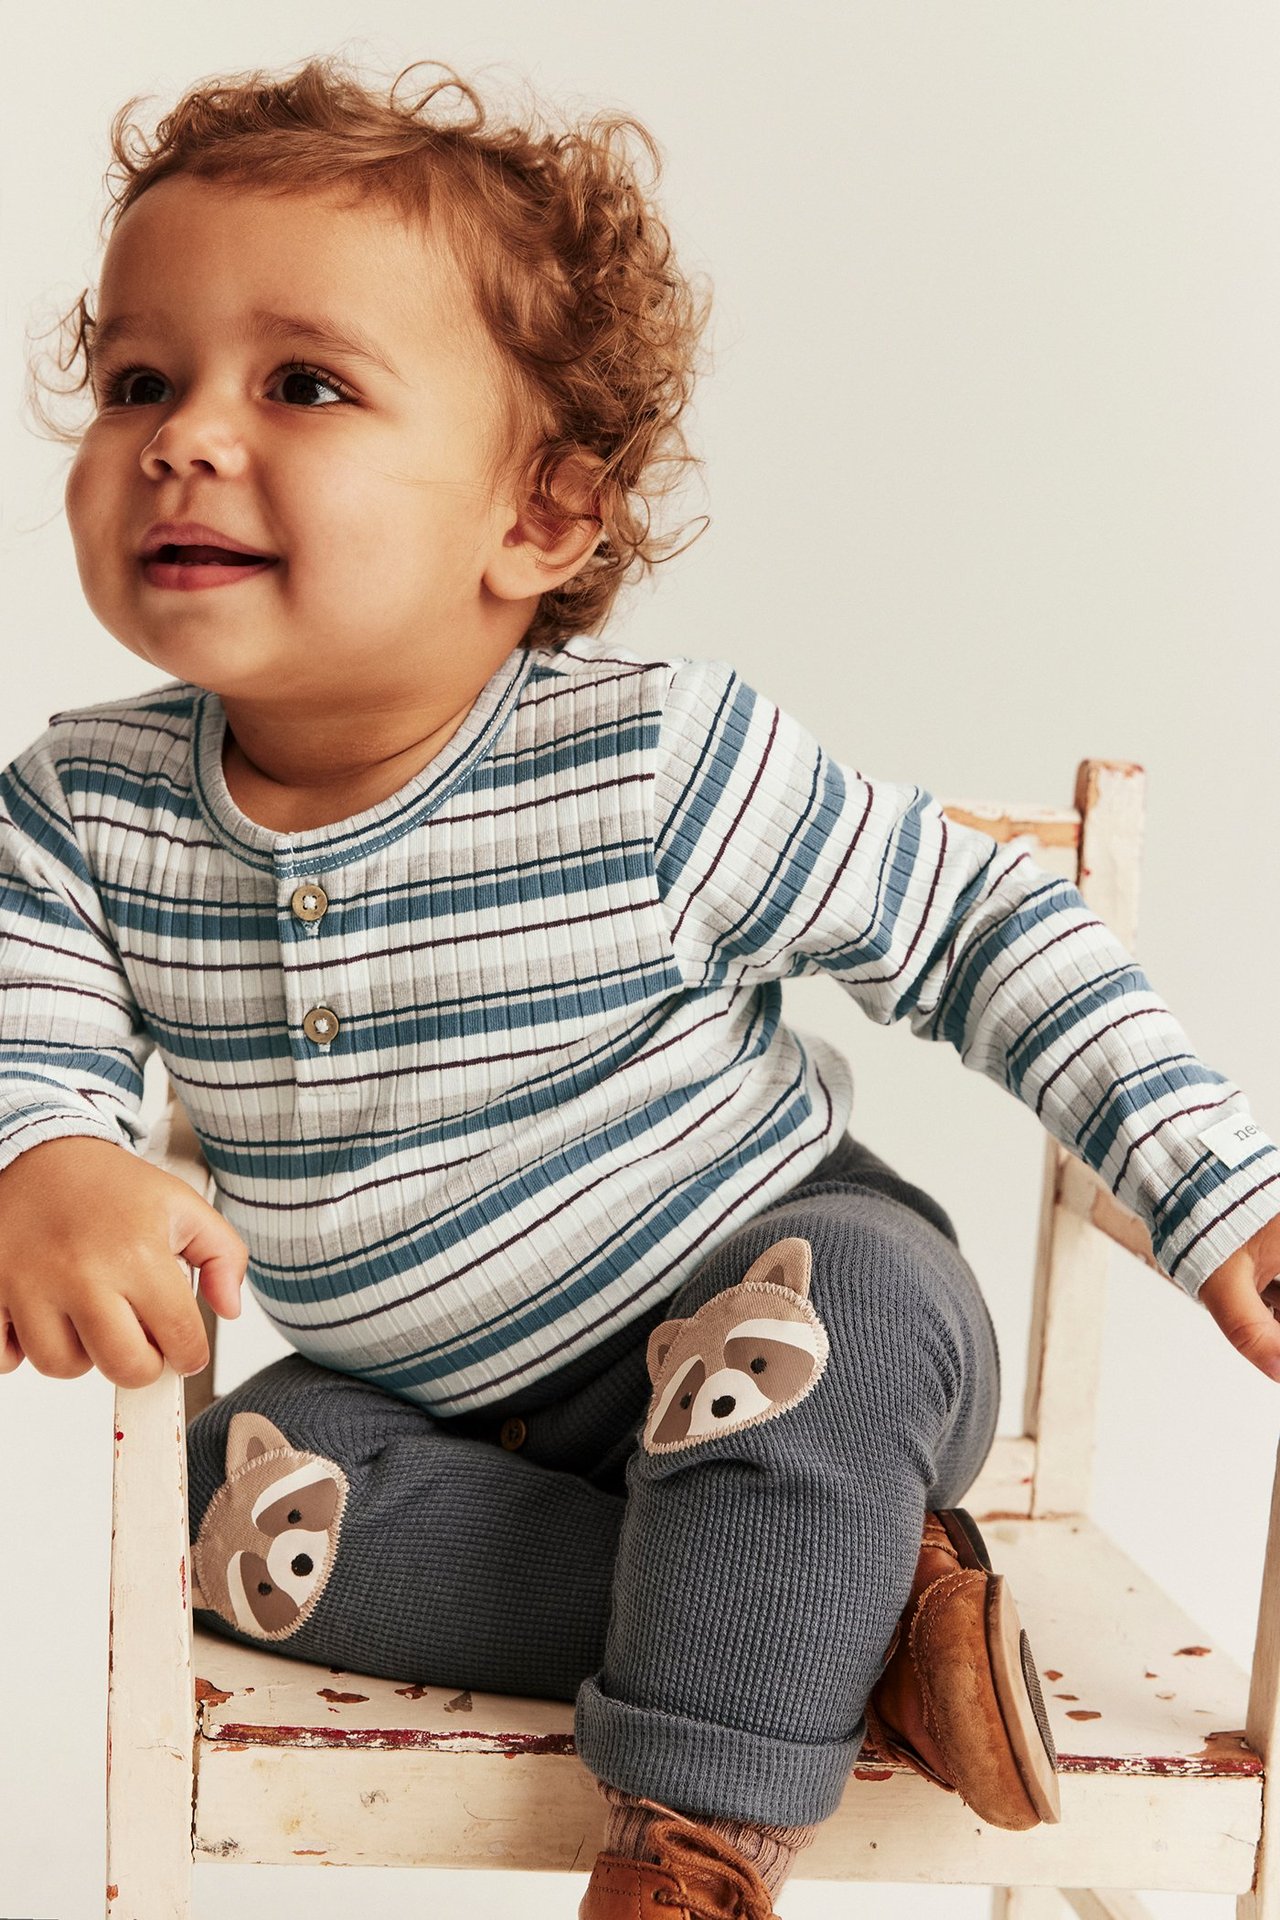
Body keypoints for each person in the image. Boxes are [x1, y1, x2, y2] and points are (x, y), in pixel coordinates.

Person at [5, 55, 1280, 1920]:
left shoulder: (650, 762)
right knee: (238, 1502)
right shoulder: (80, 809)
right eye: (137, 381)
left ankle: (691, 1852)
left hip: (771, 1290)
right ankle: (865, 1618)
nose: (184, 436)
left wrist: (1209, 1178)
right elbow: (17, 1016)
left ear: (540, 517)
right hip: (431, 1414)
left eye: (302, 384)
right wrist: (46, 1151)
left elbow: (980, 927)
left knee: (827, 1330)